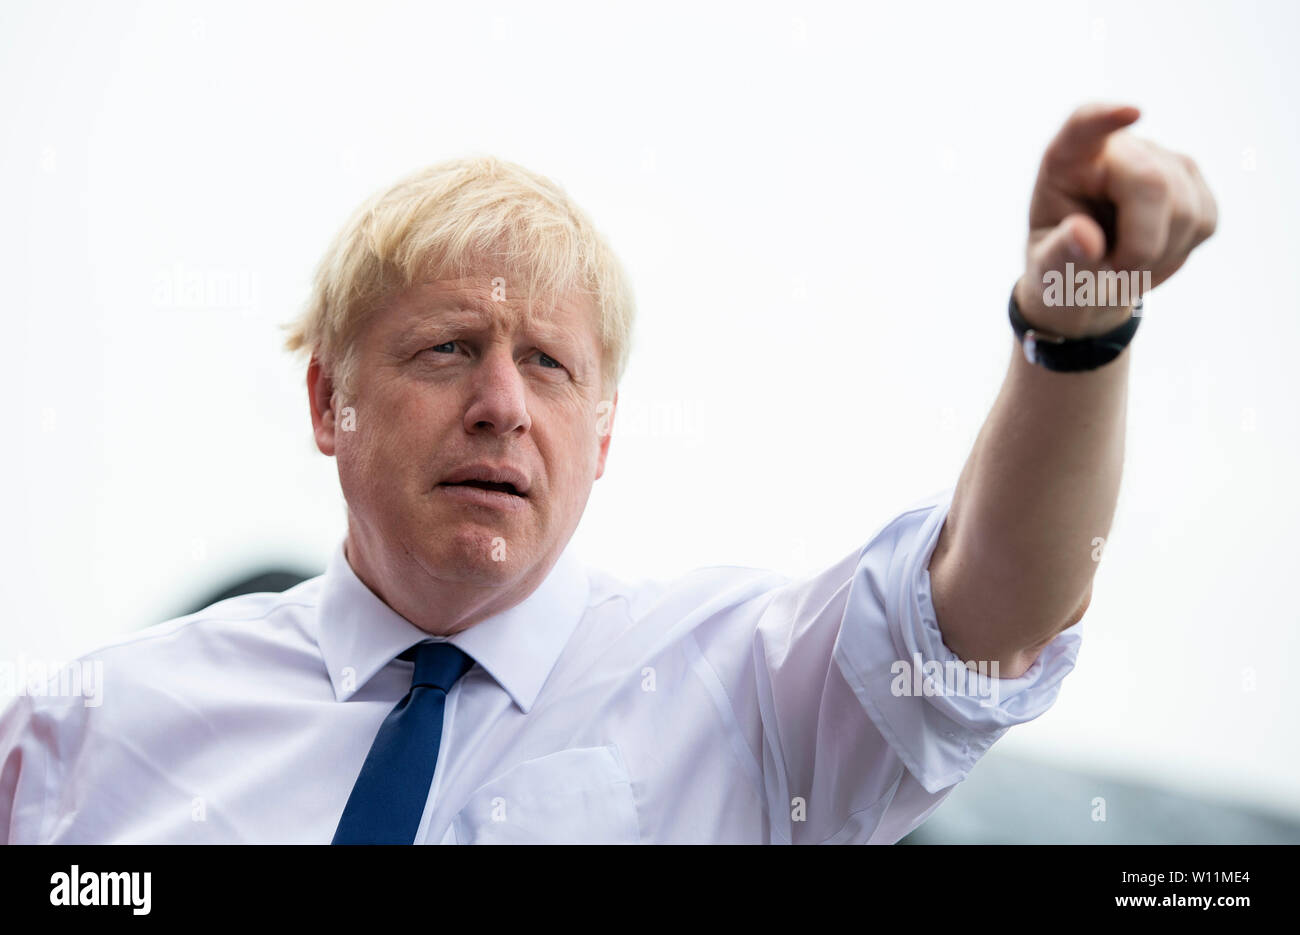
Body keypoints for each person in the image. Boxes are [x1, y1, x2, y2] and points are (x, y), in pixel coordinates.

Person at [0, 103, 1216, 844]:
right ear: (330, 401)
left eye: (548, 365)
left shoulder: (744, 690)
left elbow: (985, 613)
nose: (501, 405)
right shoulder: (80, 736)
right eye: (448, 350)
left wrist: (1078, 333)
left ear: (604, 437)